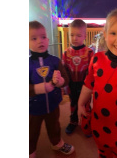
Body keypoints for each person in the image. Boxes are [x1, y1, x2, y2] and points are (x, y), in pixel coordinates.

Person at [77, 7, 117, 158]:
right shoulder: (96, 59)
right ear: (105, 35)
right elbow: (88, 84)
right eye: (113, 33)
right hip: (98, 125)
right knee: (102, 152)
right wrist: (80, 104)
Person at [29, 21, 74, 156]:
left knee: (54, 125)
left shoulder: (55, 61)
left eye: (43, 37)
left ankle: (56, 143)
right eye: (34, 38)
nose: (40, 41)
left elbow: (66, 78)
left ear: (48, 40)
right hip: (33, 107)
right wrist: (40, 88)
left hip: (53, 103)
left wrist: (60, 82)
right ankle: (30, 150)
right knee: (31, 130)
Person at [62, 19, 94, 135]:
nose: (75, 38)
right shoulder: (66, 53)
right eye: (72, 35)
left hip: (85, 85)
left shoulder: (89, 52)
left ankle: (87, 123)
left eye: (78, 35)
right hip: (71, 83)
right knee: (73, 103)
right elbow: (64, 69)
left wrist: (92, 85)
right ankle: (73, 121)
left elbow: (92, 70)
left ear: (84, 36)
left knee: (86, 104)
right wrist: (64, 85)